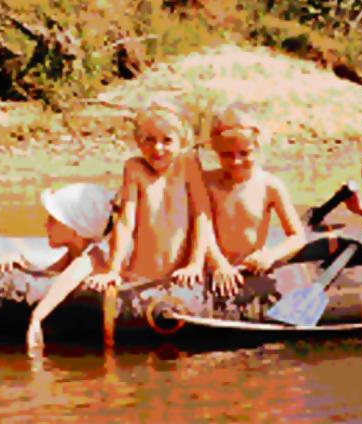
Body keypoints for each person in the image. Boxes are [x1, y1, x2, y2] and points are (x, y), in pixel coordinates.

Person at [87, 98, 214, 291]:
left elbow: (202, 215)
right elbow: (126, 222)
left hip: (181, 275)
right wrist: (114, 269)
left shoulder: (188, 164)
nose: (158, 148)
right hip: (141, 274)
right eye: (149, 139)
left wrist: (195, 264)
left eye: (167, 140)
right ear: (139, 141)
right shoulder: (135, 169)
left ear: (183, 141)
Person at [0, 183, 115, 352]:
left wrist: (36, 318)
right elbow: (49, 274)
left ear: (74, 229)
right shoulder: (74, 254)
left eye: (52, 220)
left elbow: (66, 282)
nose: (46, 225)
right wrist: (21, 262)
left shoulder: (91, 258)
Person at [202, 103, 306, 296]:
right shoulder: (207, 183)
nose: (236, 161)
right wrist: (219, 264)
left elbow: (297, 236)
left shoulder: (270, 186)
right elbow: (201, 228)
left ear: (257, 147)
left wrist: (270, 256)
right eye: (227, 155)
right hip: (214, 268)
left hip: (251, 269)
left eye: (244, 153)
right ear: (215, 151)